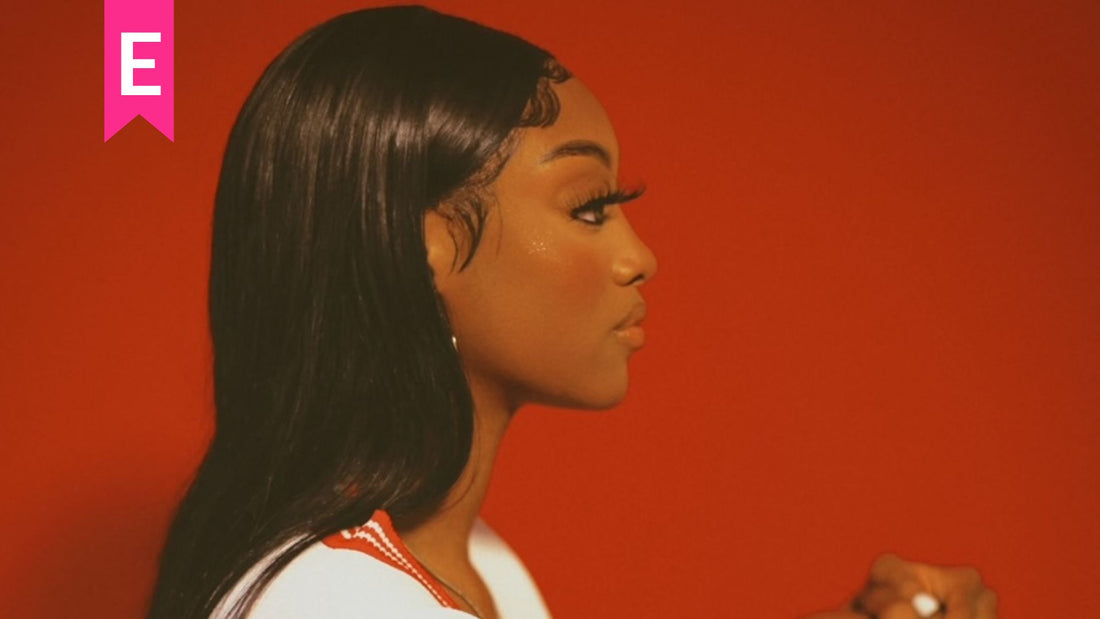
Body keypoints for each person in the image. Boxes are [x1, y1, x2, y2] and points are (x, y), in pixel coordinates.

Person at [147, 5, 997, 618]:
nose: (640, 256)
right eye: (591, 206)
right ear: (420, 244)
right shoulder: (334, 600)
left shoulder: (478, 564)